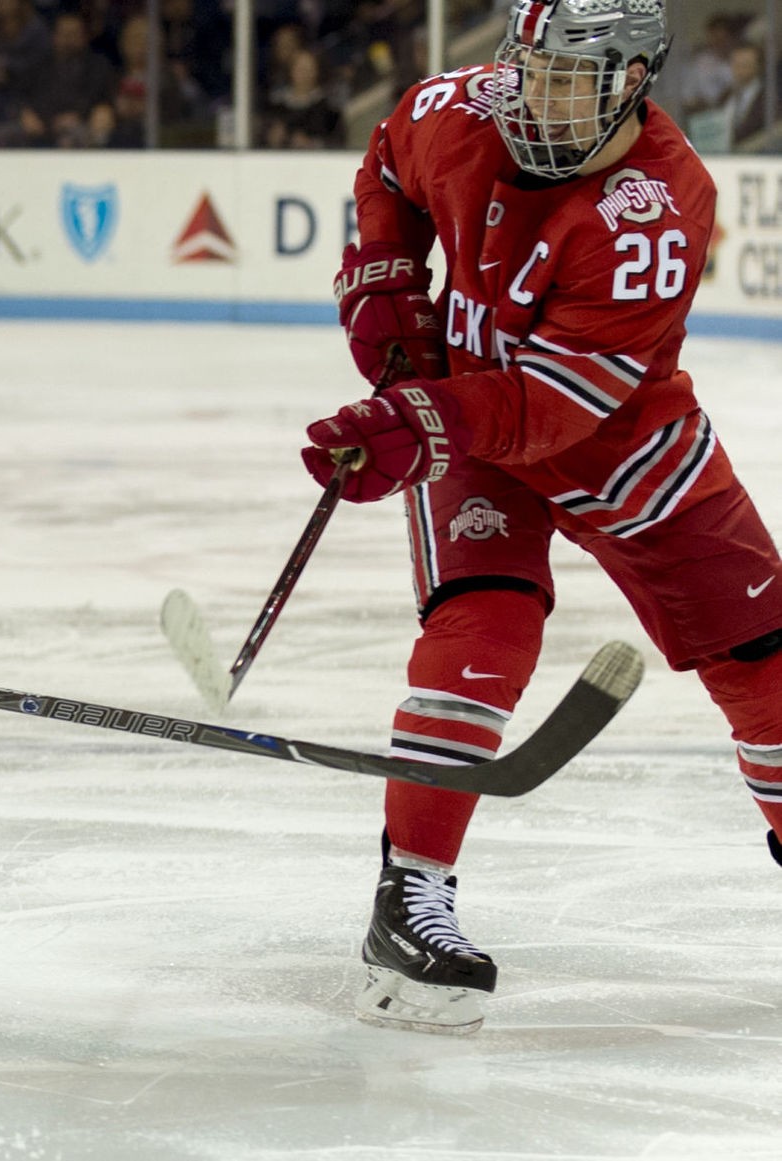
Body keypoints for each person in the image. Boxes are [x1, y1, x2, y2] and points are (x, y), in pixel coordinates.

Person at [301, 0, 782, 1035]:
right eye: (528, 68)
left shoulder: (653, 208)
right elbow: (385, 161)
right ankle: (409, 894)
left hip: (619, 439)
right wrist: (382, 276)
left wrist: (414, 421)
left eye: (571, 78)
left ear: (631, 81)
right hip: (479, 426)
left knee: (766, 665)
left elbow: (553, 408)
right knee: (482, 623)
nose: (538, 96)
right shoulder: (456, 112)